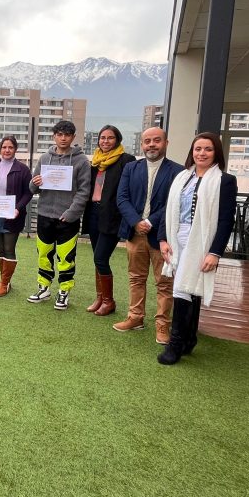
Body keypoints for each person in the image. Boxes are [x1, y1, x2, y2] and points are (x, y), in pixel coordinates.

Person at [157, 132, 237, 365]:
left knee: (181, 289)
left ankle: (175, 344)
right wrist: (163, 239)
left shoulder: (224, 180)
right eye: (198, 149)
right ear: (192, 152)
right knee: (190, 289)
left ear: (216, 152)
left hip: (200, 240)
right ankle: (189, 339)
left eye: (208, 149)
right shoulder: (182, 177)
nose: (202, 153)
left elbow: (226, 220)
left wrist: (215, 252)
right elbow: (168, 209)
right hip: (177, 237)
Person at [113, 127, 183, 344]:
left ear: (166, 143)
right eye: (147, 141)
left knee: (164, 282)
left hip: (162, 236)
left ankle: (162, 325)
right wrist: (136, 222)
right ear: (142, 144)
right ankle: (135, 317)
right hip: (135, 233)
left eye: (156, 140)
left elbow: (174, 204)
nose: (152, 144)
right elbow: (121, 198)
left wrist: (150, 222)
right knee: (136, 278)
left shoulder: (178, 172)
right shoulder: (131, 168)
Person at [27, 120, 91, 310]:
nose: (63, 138)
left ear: (73, 137)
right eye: (60, 134)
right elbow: (33, 188)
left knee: (66, 257)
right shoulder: (44, 158)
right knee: (43, 254)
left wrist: (72, 213)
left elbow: (84, 191)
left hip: (68, 218)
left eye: (67, 135)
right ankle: (44, 288)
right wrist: (35, 183)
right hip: (44, 215)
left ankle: (64, 291)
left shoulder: (81, 161)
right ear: (54, 136)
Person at [81, 125, 136, 316]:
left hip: (113, 217)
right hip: (94, 213)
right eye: (102, 137)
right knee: (97, 259)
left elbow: (129, 191)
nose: (105, 141)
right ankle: (100, 298)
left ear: (117, 140)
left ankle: (108, 301)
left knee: (100, 258)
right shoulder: (95, 162)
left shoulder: (126, 160)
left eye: (110, 137)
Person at [0, 136, 33, 297]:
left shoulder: (23, 169)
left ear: (15, 149)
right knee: (0, 248)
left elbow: (28, 193)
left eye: (10, 147)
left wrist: (18, 208)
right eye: (4, 147)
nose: (7, 150)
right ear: (0, 149)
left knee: (9, 249)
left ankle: (5, 284)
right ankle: (4, 281)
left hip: (12, 216)